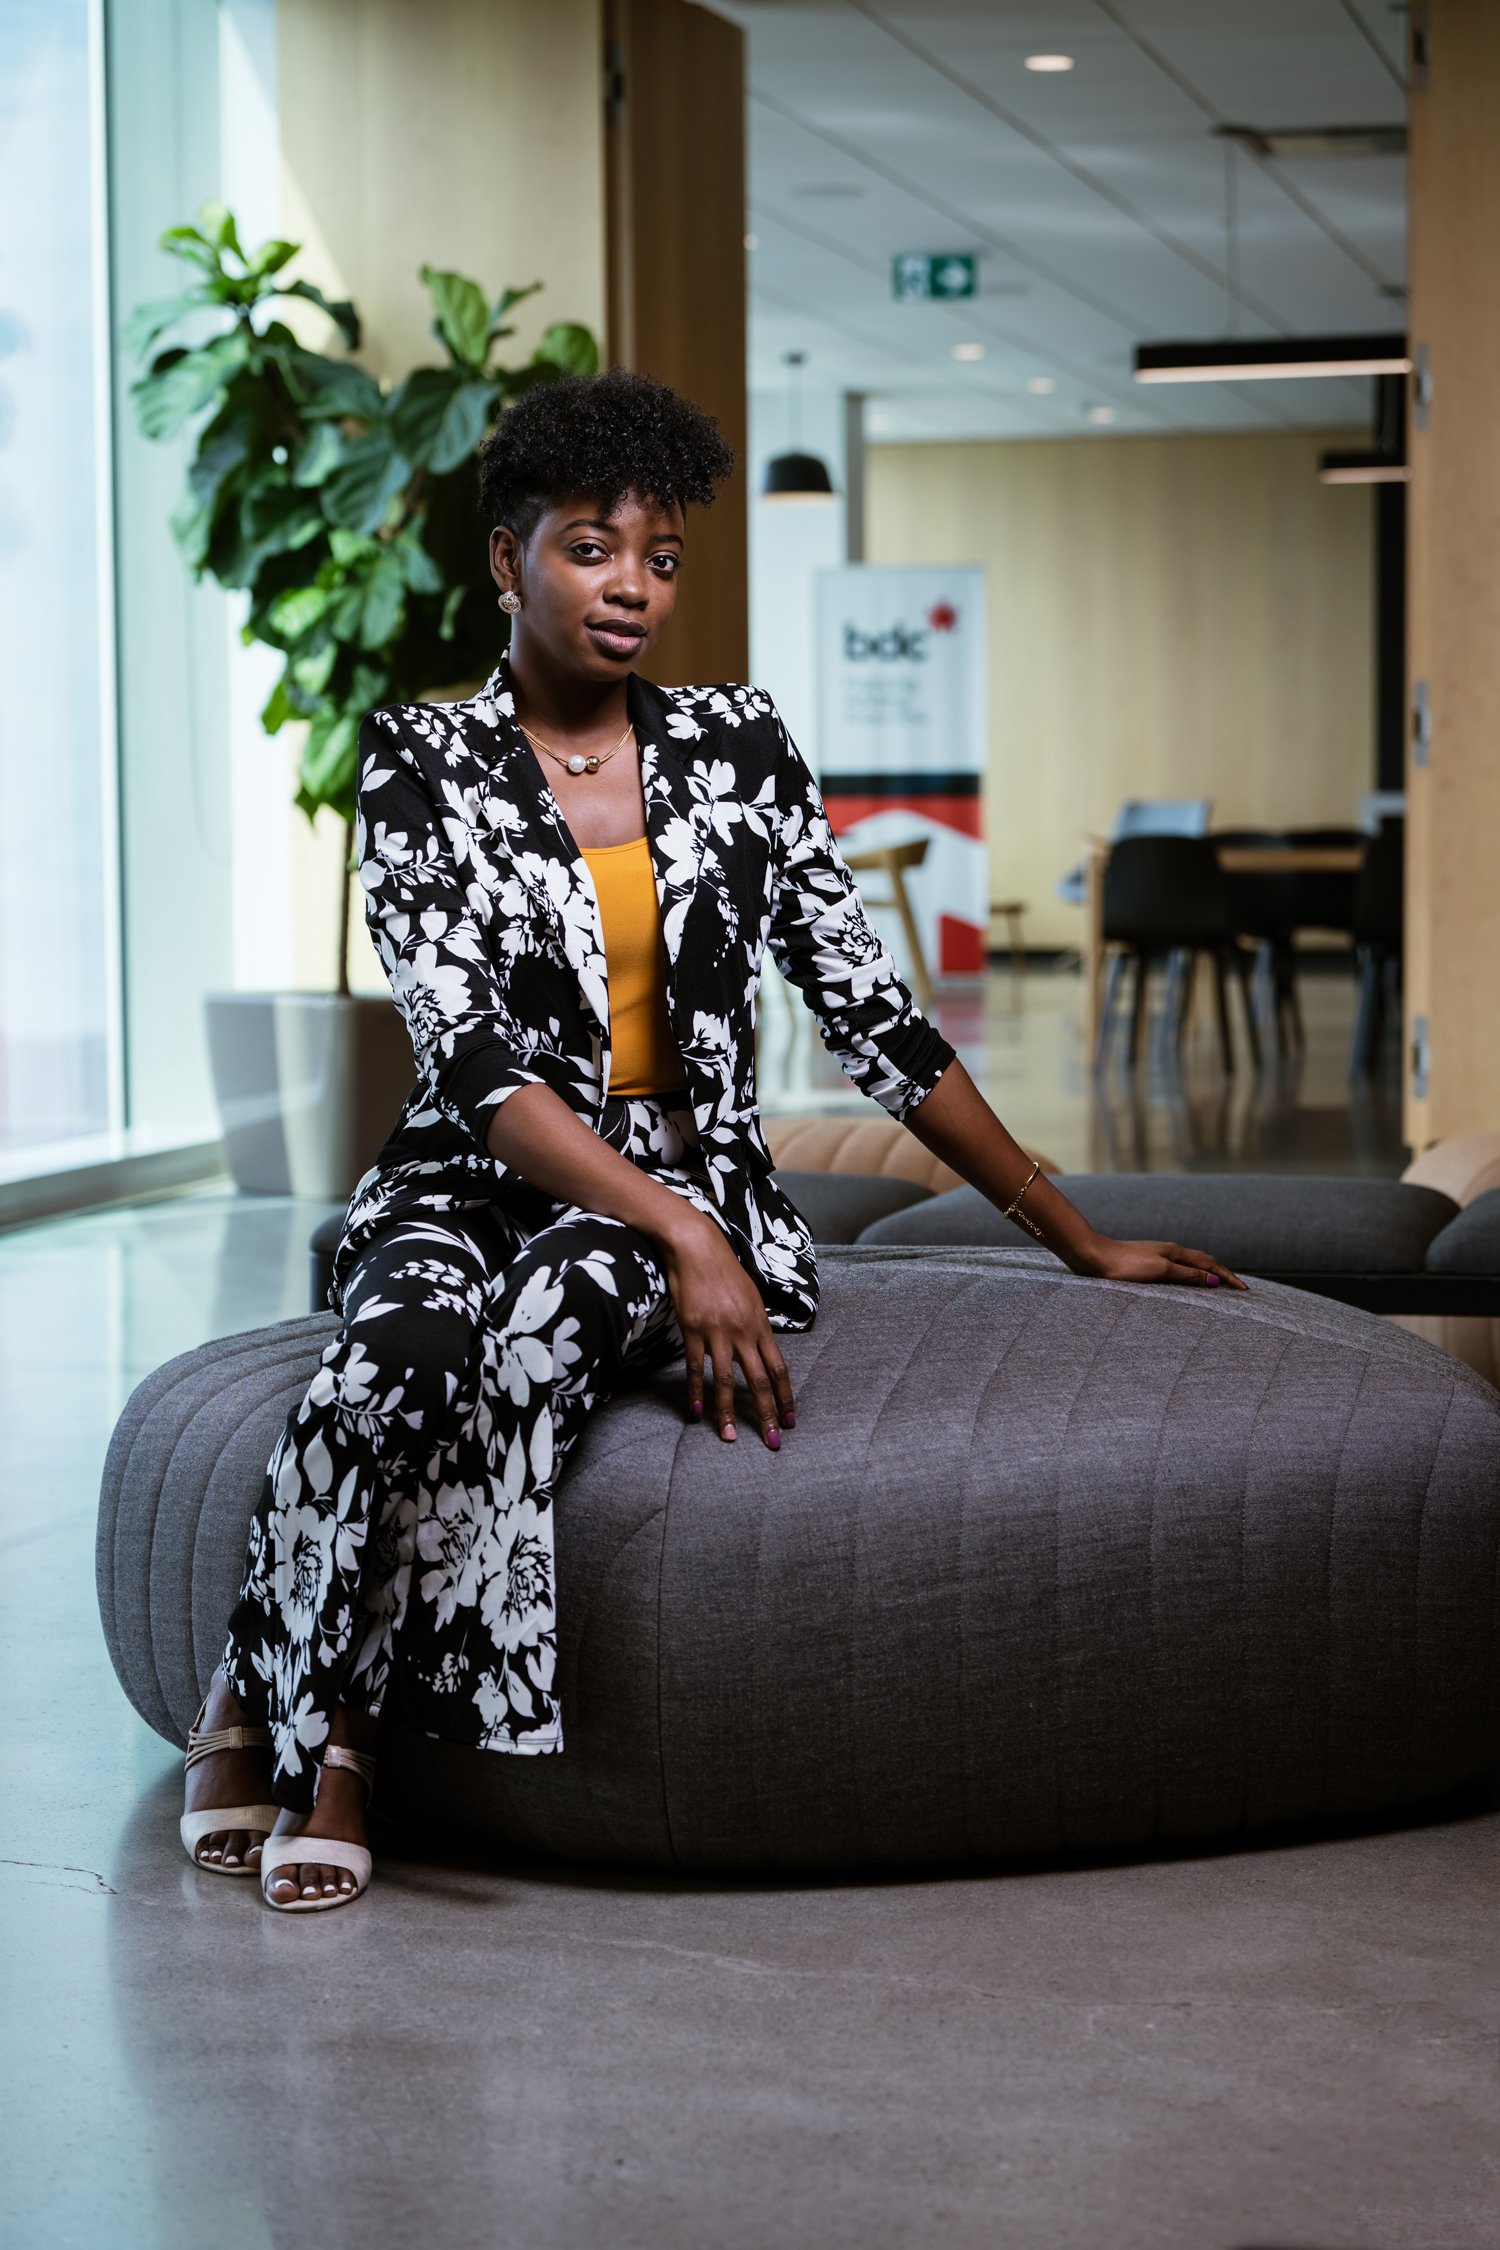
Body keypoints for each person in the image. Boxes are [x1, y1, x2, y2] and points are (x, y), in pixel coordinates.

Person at [181, 369, 1245, 1913]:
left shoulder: (740, 746)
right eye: (591, 548)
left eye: (661, 557)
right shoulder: (419, 757)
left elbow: (874, 1013)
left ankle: (320, 1730)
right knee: (402, 1344)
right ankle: (273, 1678)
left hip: (666, 1187)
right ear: (509, 559)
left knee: (535, 1338)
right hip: (474, 1168)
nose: (632, 586)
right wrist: (688, 1237)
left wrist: (1072, 1229)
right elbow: (474, 1064)